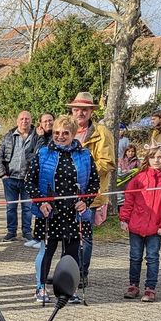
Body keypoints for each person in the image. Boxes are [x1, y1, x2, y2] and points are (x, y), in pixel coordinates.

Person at [25, 116, 98, 305]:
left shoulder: (85, 155)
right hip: (50, 213)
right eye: (57, 132)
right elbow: (29, 181)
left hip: (74, 213)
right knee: (46, 251)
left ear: (73, 134)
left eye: (65, 133)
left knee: (71, 254)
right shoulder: (43, 153)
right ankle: (40, 288)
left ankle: (68, 290)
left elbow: (94, 183)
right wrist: (41, 202)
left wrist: (86, 201)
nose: (60, 136)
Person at [120, 143, 161, 302]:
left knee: (152, 257)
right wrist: (124, 219)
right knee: (135, 257)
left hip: (156, 228)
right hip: (136, 225)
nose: (156, 160)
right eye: (153, 157)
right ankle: (133, 285)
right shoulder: (139, 179)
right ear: (147, 159)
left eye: (160, 157)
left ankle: (150, 288)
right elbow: (129, 201)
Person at [67, 92, 115, 288]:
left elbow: (107, 162)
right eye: (77, 109)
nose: (80, 112)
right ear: (72, 110)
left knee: (84, 236)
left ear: (91, 112)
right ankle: (68, 271)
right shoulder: (65, 129)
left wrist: (82, 171)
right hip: (65, 194)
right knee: (68, 235)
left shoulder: (101, 133)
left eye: (84, 109)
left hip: (89, 194)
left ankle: (81, 273)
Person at [0, 110, 37, 245]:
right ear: (17, 121)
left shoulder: (36, 136)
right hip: (10, 178)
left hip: (27, 179)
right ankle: (11, 232)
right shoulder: (9, 136)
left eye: (27, 119)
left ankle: (27, 232)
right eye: (22, 119)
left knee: (27, 207)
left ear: (31, 120)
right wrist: (3, 174)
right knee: (10, 207)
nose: (24, 121)